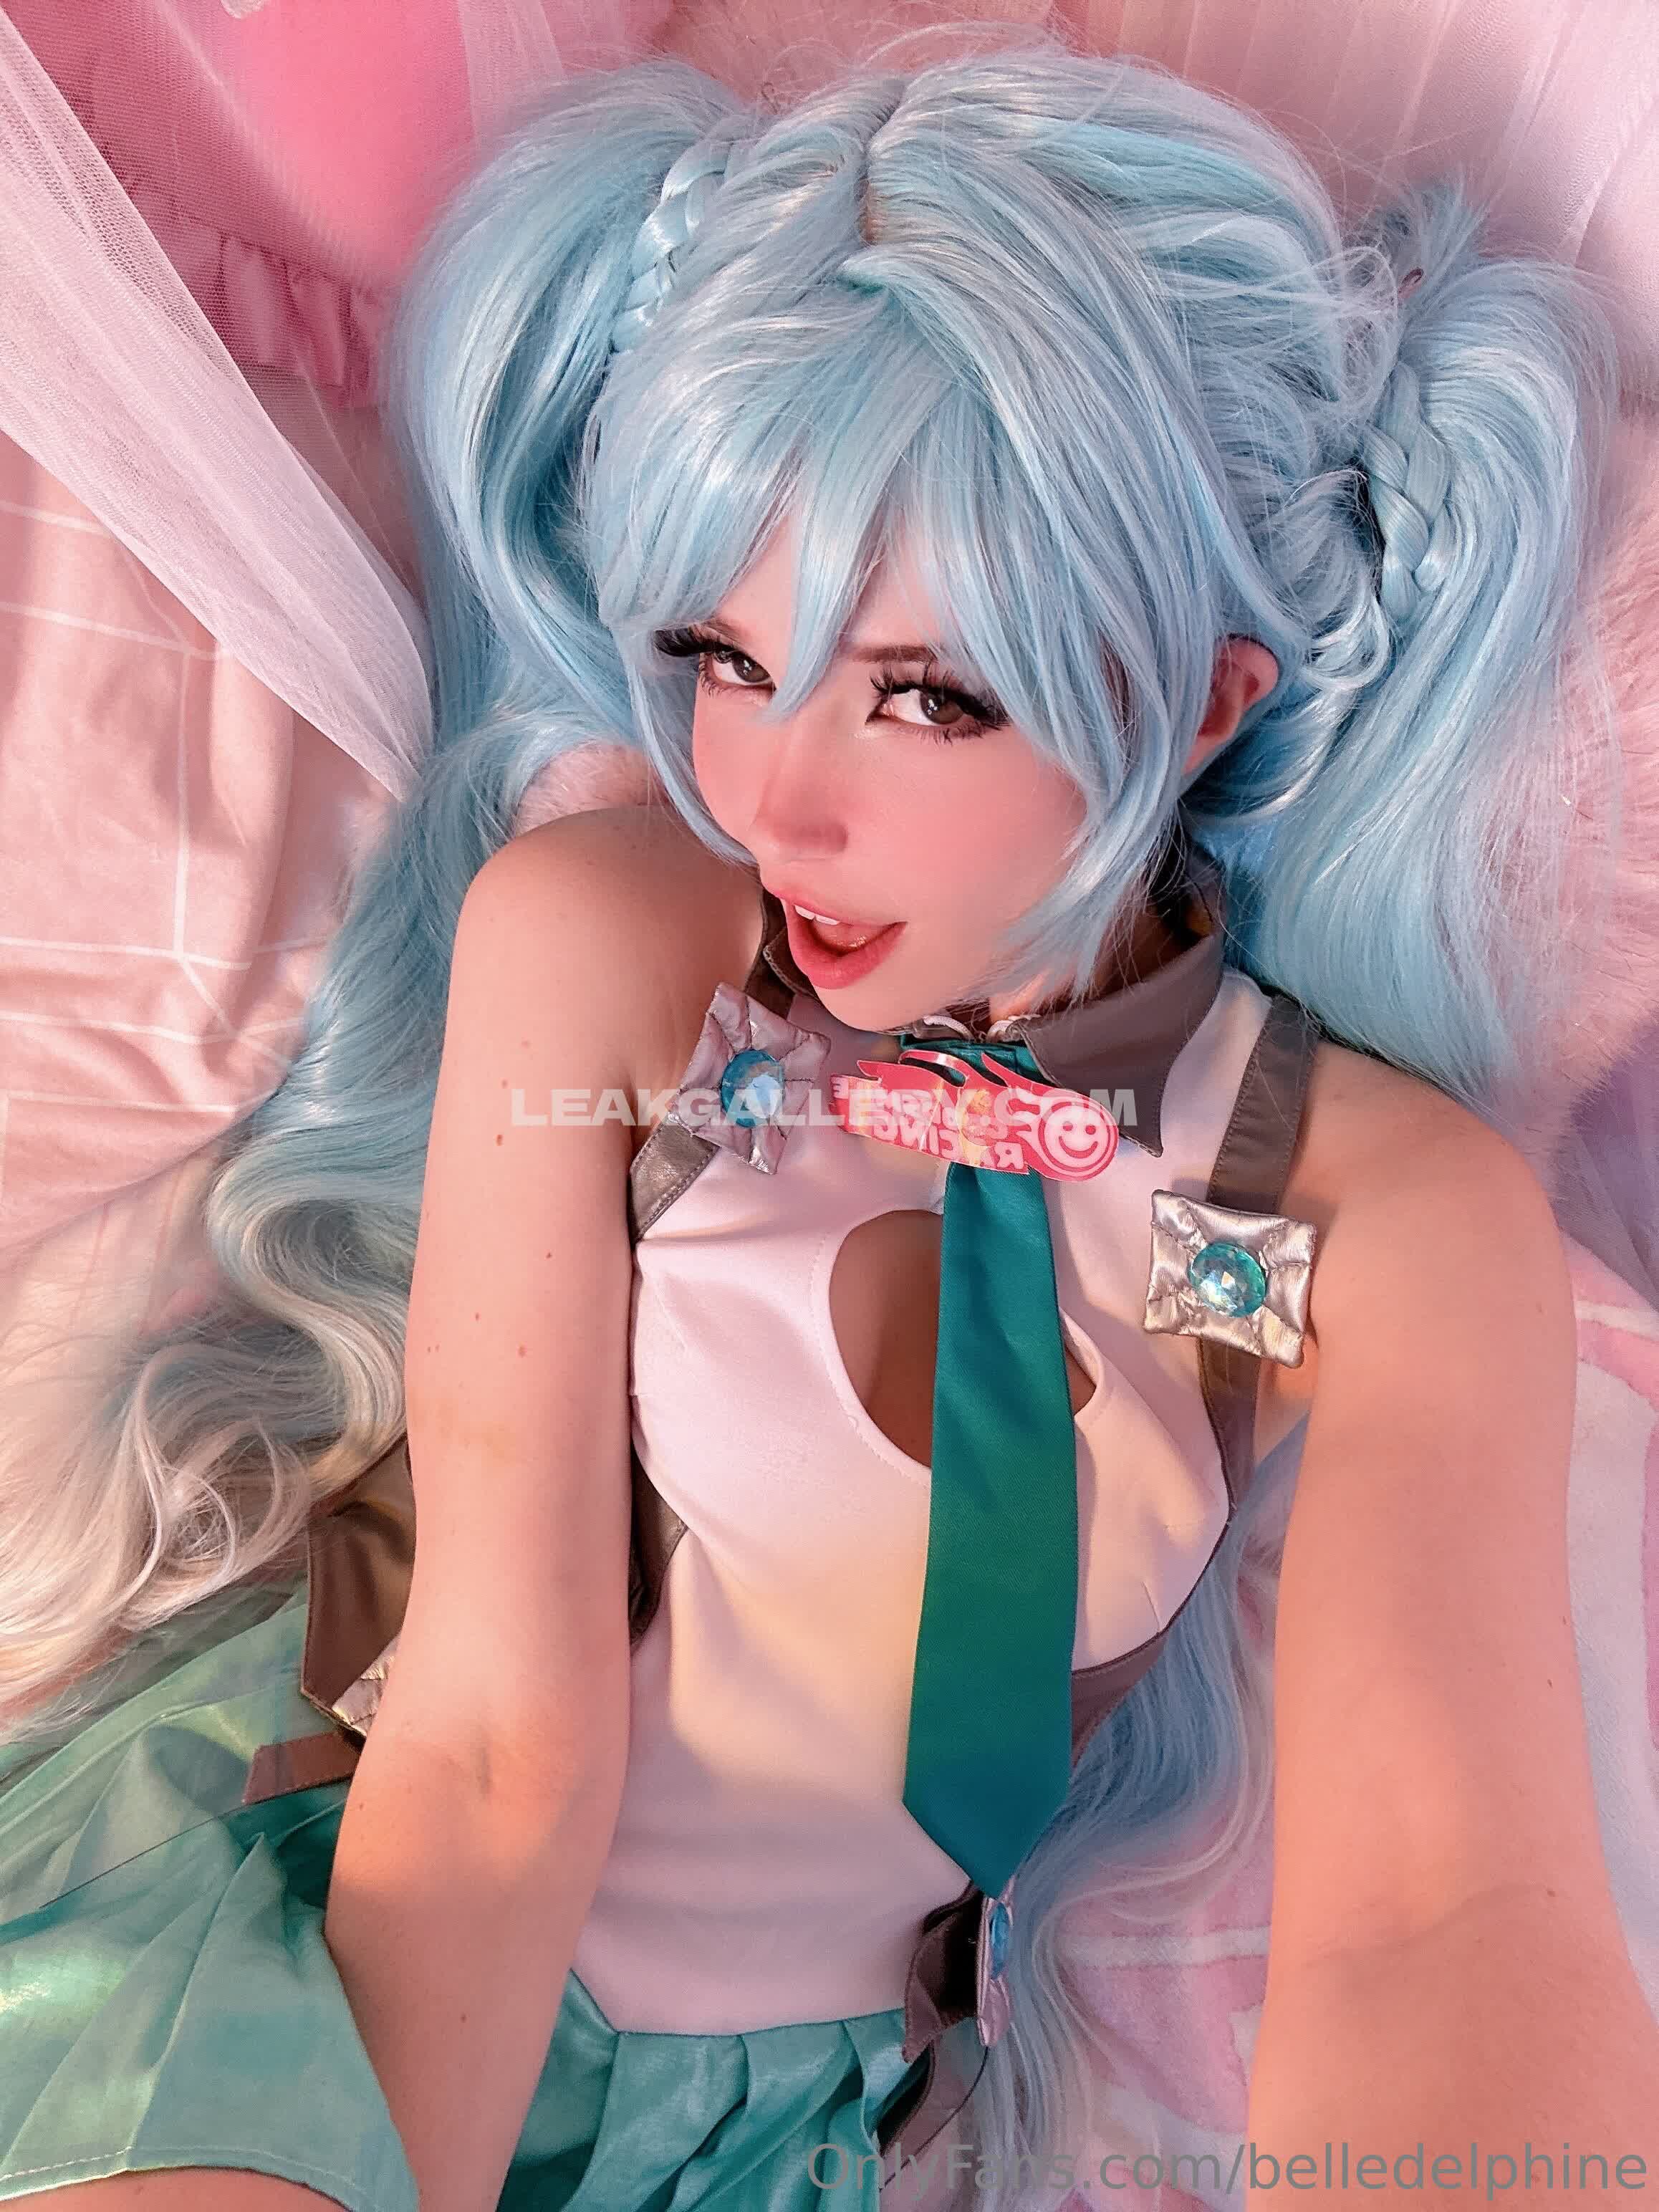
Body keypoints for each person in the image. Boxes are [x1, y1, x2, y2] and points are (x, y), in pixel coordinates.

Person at [2, 35, 1657, 2212]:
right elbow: (491, 1752)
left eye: (927, 695)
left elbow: (1441, 1905)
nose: (773, 799)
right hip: (333, 1933)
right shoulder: (623, 962)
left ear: (1203, 703)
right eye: (719, 653)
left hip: (775, 2127)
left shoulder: (1325, 1207)